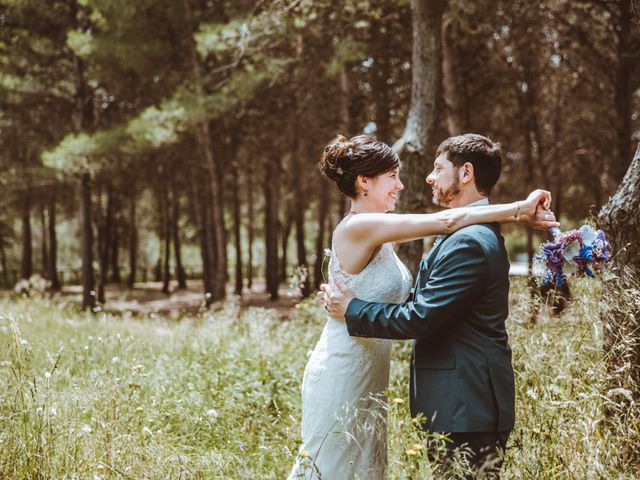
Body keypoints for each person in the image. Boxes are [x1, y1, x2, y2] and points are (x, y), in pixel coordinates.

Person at [288, 133, 557, 480]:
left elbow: (446, 235)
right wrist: (519, 210)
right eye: (392, 177)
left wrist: (353, 306)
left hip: (374, 374)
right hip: (344, 368)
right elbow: (446, 221)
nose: (402, 185)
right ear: (364, 181)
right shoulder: (362, 226)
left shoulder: (383, 232)